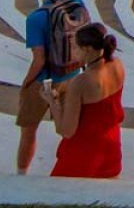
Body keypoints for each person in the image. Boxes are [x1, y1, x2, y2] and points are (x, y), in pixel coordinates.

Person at [17, 0, 89, 174]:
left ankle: (21, 174)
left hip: (45, 81)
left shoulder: (36, 18)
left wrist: (26, 84)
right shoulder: (76, 1)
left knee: (28, 131)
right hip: (73, 74)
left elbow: (38, 60)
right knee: (71, 130)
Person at [47, 22, 125, 178]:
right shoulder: (118, 65)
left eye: (75, 48)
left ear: (87, 49)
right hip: (111, 149)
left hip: (82, 155)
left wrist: (52, 102)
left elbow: (66, 131)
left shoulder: (81, 82)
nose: (73, 53)